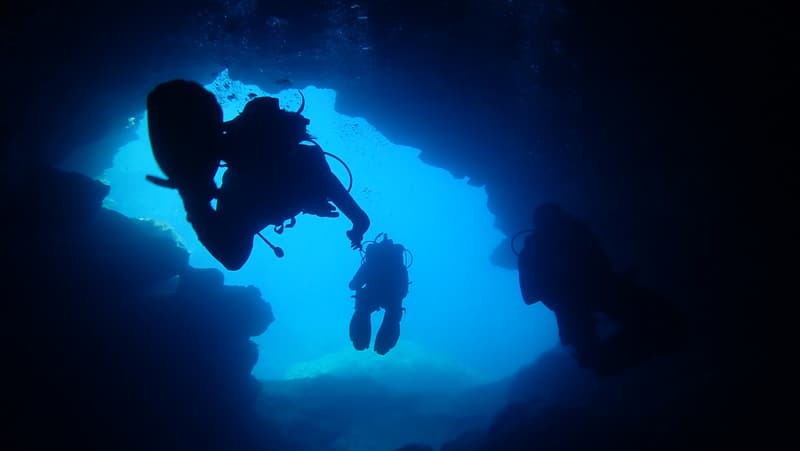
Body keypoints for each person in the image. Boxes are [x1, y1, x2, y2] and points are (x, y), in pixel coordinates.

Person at [145, 79, 370, 270]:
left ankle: (193, 197)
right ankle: (193, 197)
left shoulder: (306, 162)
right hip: (247, 206)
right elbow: (359, 217)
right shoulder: (297, 159)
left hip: (249, 208)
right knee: (233, 258)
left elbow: (359, 217)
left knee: (233, 257)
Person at [517, 202, 687, 374]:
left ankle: (629, 357)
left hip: (585, 298)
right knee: (594, 357)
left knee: (593, 357)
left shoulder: (567, 238)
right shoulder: (574, 235)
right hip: (587, 298)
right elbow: (603, 264)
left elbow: (529, 297)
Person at [348, 233, 410, 355]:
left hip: (371, 295)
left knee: (362, 311)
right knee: (392, 316)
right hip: (392, 297)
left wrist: (361, 289)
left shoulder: (370, 264)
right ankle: (382, 346)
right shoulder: (400, 266)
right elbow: (403, 291)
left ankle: (360, 341)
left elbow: (353, 285)